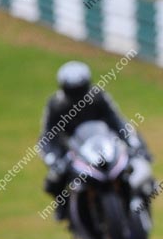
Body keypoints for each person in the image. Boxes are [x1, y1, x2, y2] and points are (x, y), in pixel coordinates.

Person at [39, 61, 152, 219]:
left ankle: (143, 196)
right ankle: (64, 209)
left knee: (137, 161)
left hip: (102, 146)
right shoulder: (56, 105)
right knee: (53, 180)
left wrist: (133, 144)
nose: (77, 96)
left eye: (80, 89)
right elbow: (47, 136)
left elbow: (117, 121)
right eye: (73, 91)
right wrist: (52, 158)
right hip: (75, 152)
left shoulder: (98, 97)